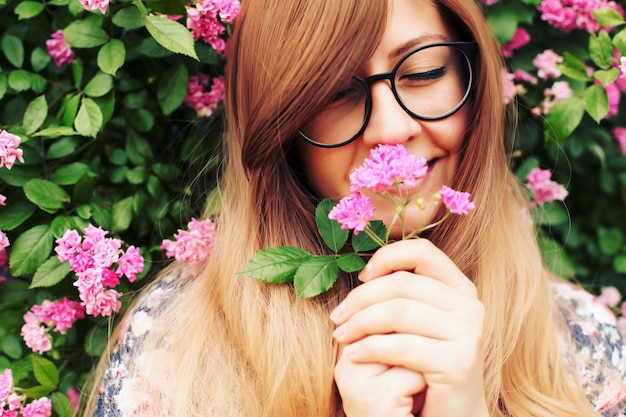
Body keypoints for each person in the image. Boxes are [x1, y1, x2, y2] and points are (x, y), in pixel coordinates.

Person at [85, 0, 626, 416]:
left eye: (423, 73)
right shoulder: (174, 348)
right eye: (335, 93)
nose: (391, 129)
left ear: (473, 80)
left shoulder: (584, 348)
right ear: (281, 128)